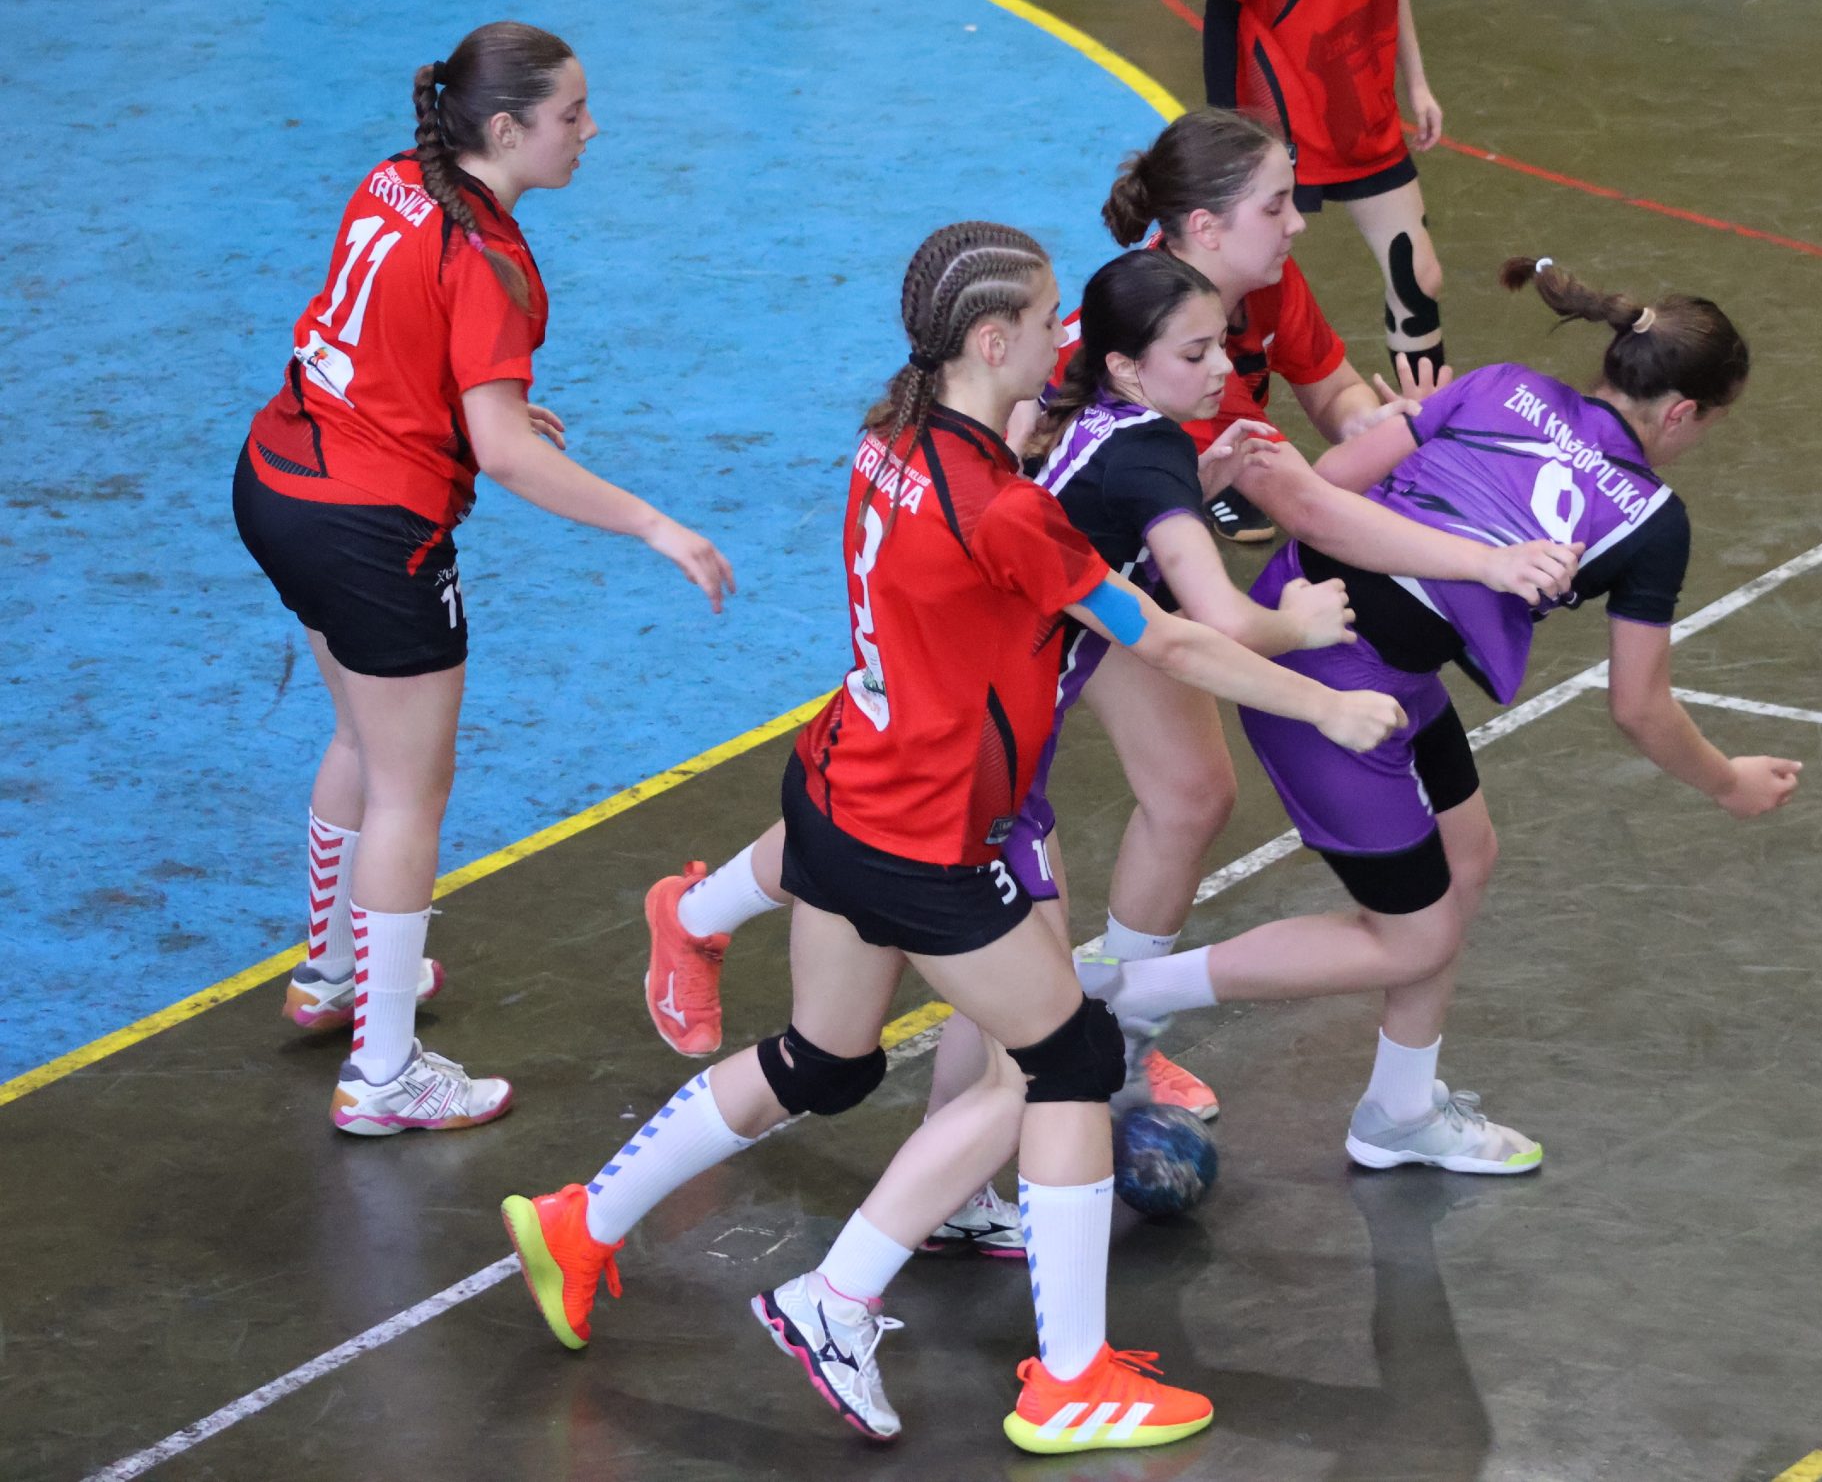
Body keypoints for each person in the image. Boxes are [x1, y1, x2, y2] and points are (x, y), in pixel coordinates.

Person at [502, 223, 1404, 1454]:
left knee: (822, 1061)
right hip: (926, 837)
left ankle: (580, 1223)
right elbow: (1170, 639)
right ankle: (997, 1354)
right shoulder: (1005, 511)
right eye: (1042, 321)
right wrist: (1322, 702)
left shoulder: (893, 436)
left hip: (836, 791)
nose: (1060, 339)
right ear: (989, 341)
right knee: (1070, 1059)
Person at [643, 249, 1575, 1195]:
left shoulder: (993, 426)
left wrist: (1192, 482)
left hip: (921, 734)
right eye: (1198, 352)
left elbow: (1105, 531)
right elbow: (1195, 630)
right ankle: (872, 1250)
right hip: (976, 773)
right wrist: (1303, 650)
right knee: (1041, 1043)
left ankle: (717, 968)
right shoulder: (1122, 455)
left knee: (890, 1018)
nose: (1221, 368)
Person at [1082, 256, 1803, 1174]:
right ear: (1682, 413)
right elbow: (1639, 705)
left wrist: (1420, 447)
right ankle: (1126, 991)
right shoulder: (1652, 520)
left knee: (1467, 857)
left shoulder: (1501, 385)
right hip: (1333, 676)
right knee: (1415, 933)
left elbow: (1329, 480)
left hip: (1347, 630)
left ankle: (1400, 1108)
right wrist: (1728, 781)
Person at [235, 21, 732, 1135]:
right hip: (371, 531)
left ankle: (332, 973)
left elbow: (388, 341)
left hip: (278, 479)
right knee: (410, 792)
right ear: (506, 130)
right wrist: (655, 525)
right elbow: (505, 456)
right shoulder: (493, 260)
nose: (591, 130)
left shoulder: (396, 177)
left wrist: (473, 407)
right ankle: (384, 1074)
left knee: (360, 740)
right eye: (572, 114)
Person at [1051, 108, 1423, 545]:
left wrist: (1363, 424)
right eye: (1274, 208)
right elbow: (1307, 509)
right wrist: (1484, 560)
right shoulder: (1175, 344)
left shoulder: (1261, 277)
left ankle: (1213, 473)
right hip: (1058, 538)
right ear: (1206, 228)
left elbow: (1334, 392)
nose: (1297, 222)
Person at [1204, 0, 1448, 393]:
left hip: (1362, 118)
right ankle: (1222, 427)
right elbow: (1221, 12)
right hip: (1278, 124)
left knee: (1418, 277)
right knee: (1236, 292)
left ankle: (1423, 429)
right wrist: (1223, 131)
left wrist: (1417, 83)